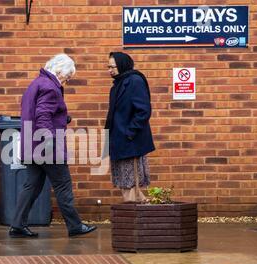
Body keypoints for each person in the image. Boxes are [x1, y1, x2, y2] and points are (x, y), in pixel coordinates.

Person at [9, 54, 97, 238]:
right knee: (63, 185)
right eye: (68, 77)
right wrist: (49, 142)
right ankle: (75, 226)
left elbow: (39, 113)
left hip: (31, 145)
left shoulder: (36, 83)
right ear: (59, 71)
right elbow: (42, 115)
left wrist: (62, 118)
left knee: (31, 186)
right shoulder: (50, 87)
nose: (67, 81)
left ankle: (17, 225)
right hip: (46, 147)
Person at [105, 52, 155, 202]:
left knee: (130, 181)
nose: (109, 70)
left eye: (112, 66)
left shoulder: (134, 81)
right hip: (118, 140)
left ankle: (133, 216)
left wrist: (130, 133)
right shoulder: (118, 84)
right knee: (125, 181)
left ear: (122, 65)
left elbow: (143, 110)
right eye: (108, 67)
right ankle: (138, 211)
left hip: (130, 141)